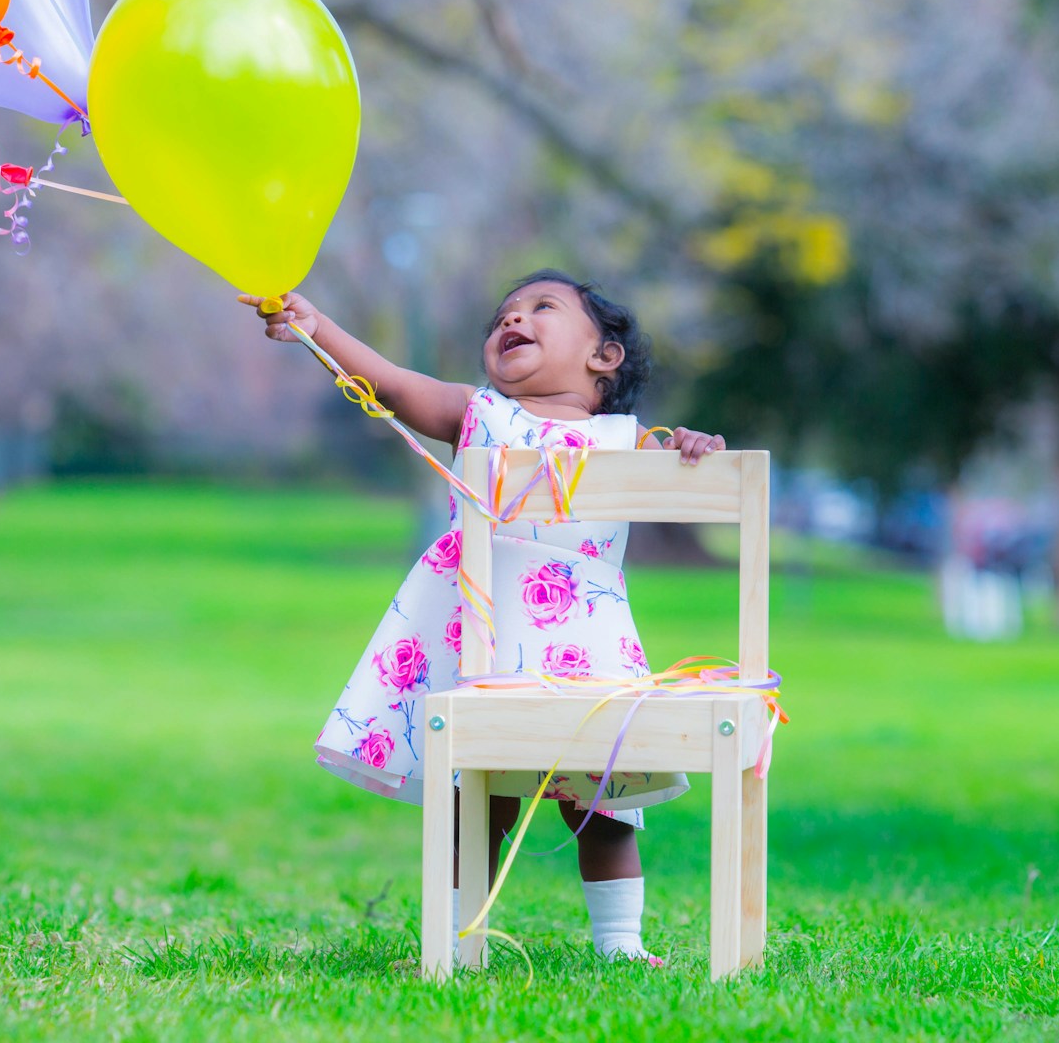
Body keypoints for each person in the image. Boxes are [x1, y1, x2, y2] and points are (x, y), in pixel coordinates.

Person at [243, 270, 726, 965]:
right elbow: (391, 383)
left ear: (604, 357)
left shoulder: (628, 438)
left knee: (605, 808)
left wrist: (694, 449)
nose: (513, 320)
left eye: (542, 309)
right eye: (503, 315)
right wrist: (317, 329)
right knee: (480, 802)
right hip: (485, 639)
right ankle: (452, 945)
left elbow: (704, 481)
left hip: (585, 650)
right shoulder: (482, 415)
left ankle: (620, 945)